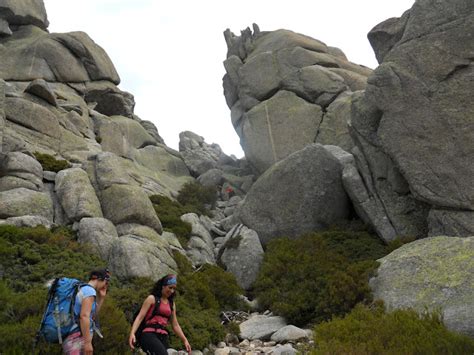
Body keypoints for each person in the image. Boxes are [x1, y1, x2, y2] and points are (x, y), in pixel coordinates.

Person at [129, 274, 191, 355]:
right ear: (163, 286)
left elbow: (175, 325)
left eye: (174, 288)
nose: (172, 291)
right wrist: (132, 333)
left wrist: (184, 340)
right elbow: (139, 318)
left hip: (163, 337)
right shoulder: (151, 299)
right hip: (149, 335)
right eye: (170, 287)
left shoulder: (171, 304)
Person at [62, 269, 110, 355]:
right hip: (77, 338)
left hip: (71, 337)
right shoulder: (89, 291)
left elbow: (92, 316)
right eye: (106, 282)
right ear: (101, 279)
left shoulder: (82, 289)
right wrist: (87, 343)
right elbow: (84, 316)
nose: (105, 285)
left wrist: (102, 297)